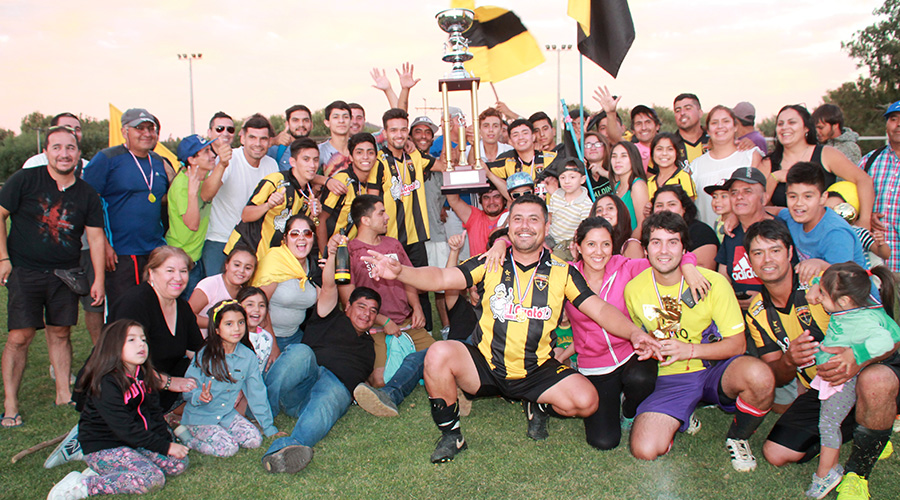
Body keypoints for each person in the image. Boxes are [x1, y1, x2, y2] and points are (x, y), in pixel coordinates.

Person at [361, 194, 662, 463]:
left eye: (534, 219)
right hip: (486, 365)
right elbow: (442, 278)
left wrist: (635, 333)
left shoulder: (563, 272)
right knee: (438, 353)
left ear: (547, 224)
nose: (525, 226)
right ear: (509, 225)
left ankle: (537, 403)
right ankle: (452, 435)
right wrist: (401, 272)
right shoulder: (491, 261)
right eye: (517, 219)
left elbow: (601, 310)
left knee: (587, 401)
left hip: (536, 370)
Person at [625, 211, 775, 471]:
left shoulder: (714, 283)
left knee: (759, 376)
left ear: (684, 249)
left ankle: (738, 437)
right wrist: (647, 345)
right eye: (656, 242)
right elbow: (640, 334)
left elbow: (738, 345)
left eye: (672, 242)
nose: (664, 250)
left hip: (714, 368)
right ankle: (683, 412)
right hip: (670, 378)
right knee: (644, 450)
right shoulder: (634, 289)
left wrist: (690, 350)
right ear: (646, 250)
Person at [563, 216, 707, 450]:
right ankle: (617, 400)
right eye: (591, 244)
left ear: (614, 246)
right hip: (595, 364)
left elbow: (666, 259)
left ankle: (631, 411)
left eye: (606, 244)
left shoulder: (626, 266)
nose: (599, 252)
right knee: (604, 441)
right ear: (577, 246)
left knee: (640, 380)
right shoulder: (566, 276)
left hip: (632, 353)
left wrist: (688, 263)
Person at [0, 125, 105, 426]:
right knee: (20, 336)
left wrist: (98, 279)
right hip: (25, 270)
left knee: (60, 332)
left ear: (78, 153)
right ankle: (10, 404)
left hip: (65, 273)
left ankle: (63, 393)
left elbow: (96, 238)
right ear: (46, 151)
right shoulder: (25, 180)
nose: (64, 153)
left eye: (70, 147)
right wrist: (3, 258)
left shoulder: (86, 193)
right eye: (57, 147)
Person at [260, 234, 378, 474]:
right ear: (347, 307)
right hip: (302, 383)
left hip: (329, 391)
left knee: (333, 394)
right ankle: (262, 412)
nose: (366, 314)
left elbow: (368, 382)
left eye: (373, 311)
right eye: (361, 307)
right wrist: (333, 254)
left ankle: (289, 447)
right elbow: (329, 286)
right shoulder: (329, 316)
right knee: (301, 352)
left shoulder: (370, 346)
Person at [46, 320, 189, 499]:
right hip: (105, 446)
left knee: (178, 463)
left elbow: (153, 412)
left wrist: (166, 441)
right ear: (113, 346)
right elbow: (124, 428)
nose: (141, 344)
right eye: (131, 340)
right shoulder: (106, 382)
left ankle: (114, 470)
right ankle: (83, 485)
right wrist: (165, 446)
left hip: (135, 443)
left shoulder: (143, 374)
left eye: (143, 340)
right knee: (152, 479)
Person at [804, 263, 899, 498]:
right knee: (831, 421)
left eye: (824, 295)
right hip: (842, 374)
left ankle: (826, 474)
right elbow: (821, 289)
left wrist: (853, 355)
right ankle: (878, 438)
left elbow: (885, 341)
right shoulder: (856, 303)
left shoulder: (860, 321)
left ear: (844, 301)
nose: (819, 300)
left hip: (844, 379)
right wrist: (816, 287)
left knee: (828, 424)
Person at [342, 195, 434, 387]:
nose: (387, 217)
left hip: (407, 323)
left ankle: (410, 365)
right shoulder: (350, 251)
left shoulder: (393, 244)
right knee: (380, 380)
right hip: (374, 327)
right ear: (365, 220)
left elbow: (409, 279)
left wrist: (417, 307)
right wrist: (384, 320)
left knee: (442, 360)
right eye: (381, 213)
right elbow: (349, 302)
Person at [82, 108, 168, 309]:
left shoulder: (157, 161)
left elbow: (163, 198)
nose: (147, 133)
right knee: (123, 311)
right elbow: (88, 203)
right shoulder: (107, 158)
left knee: (153, 308)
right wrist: (103, 243)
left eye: (150, 128)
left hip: (154, 249)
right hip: (120, 251)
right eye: (139, 128)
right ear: (124, 131)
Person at [743, 220, 830, 414]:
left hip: (854, 375)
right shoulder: (756, 312)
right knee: (773, 446)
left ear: (790, 253)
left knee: (875, 379)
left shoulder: (819, 281)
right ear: (749, 261)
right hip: (817, 392)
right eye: (758, 253)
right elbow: (775, 374)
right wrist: (789, 360)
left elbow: (877, 326)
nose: (767, 260)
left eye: (775, 251)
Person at [175, 300, 277, 457]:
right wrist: (199, 396)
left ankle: (221, 432)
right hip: (200, 416)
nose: (236, 328)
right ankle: (188, 438)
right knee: (228, 448)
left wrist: (269, 428)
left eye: (241, 322)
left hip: (226, 414)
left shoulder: (248, 356)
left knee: (254, 440)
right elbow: (187, 390)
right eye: (229, 324)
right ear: (217, 329)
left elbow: (256, 392)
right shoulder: (204, 355)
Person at [366, 108, 436, 331]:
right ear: (385, 132)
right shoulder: (378, 162)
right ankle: (384, 333)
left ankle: (424, 333)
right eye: (393, 130)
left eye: (403, 129)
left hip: (416, 236)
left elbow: (445, 165)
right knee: (387, 289)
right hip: (389, 237)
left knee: (421, 287)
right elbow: (372, 201)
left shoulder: (415, 156)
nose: (399, 134)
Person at [109, 246, 203, 411]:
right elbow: (122, 360)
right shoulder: (134, 304)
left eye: (183, 271)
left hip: (163, 379)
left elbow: (196, 351)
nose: (178, 278)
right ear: (152, 272)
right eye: (170, 271)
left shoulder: (182, 308)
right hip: (125, 384)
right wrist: (167, 382)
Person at [765, 105, 875, 231]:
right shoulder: (768, 162)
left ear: (806, 128)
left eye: (792, 122)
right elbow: (759, 203)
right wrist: (775, 177)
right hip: (782, 235)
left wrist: (865, 221)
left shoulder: (827, 154)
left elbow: (863, 180)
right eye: (780, 123)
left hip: (824, 233)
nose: (785, 127)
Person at [202, 114, 278, 278]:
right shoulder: (229, 159)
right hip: (221, 239)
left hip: (252, 243)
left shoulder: (271, 164)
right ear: (242, 138)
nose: (258, 144)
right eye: (252, 137)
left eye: (263, 139)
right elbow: (206, 195)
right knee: (218, 298)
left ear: (270, 141)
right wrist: (222, 164)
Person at [225, 137, 320, 261]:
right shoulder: (276, 181)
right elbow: (245, 215)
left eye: (316, 160)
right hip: (246, 251)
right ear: (292, 162)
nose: (312, 165)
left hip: (273, 260)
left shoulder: (309, 193)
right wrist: (268, 205)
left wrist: (314, 215)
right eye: (306, 159)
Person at [778, 162, 868, 283]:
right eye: (793, 196)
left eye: (808, 196)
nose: (799, 203)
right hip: (819, 292)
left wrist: (821, 265)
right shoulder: (793, 216)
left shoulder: (836, 233)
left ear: (823, 198)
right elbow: (775, 211)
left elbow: (845, 279)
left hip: (853, 296)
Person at [251, 214, 320, 351]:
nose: (301, 238)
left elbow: (325, 304)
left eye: (307, 233)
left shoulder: (313, 266)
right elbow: (258, 307)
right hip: (266, 337)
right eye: (294, 233)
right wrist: (273, 346)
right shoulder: (275, 260)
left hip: (296, 335)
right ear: (285, 239)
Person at [688, 105, 763, 227]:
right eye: (714, 122)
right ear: (708, 130)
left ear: (735, 127)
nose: (720, 126)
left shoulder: (750, 156)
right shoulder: (695, 165)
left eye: (726, 121)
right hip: (709, 239)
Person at [715, 167, 776, 307]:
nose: (739, 197)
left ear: (764, 198)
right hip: (737, 312)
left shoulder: (779, 229)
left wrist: (764, 297)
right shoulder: (731, 232)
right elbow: (723, 276)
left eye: (747, 191)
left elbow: (791, 277)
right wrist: (730, 299)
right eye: (734, 192)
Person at [166, 135, 216, 299]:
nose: (213, 155)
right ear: (192, 160)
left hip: (197, 255)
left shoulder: (204, 179)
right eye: (206, 151)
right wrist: (192, 194)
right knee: (186, 310)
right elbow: (192, 224)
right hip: (182, 258)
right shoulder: (182, 185)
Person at [318, 132, 378, 251]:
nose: (365, 157)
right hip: (332, 252)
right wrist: (324, 255)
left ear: (376, 156)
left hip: (351, 251)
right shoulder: (342, 181)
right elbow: (321, 219)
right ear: (350, 157)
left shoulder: (370, 182)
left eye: (370, 152)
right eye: (359, 152)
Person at [860, 100, 900, 272]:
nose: (898, 124)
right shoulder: (869, 161)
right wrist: (866, 214)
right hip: (874, 271)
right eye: (893, 119)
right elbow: (848, 205)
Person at [650, 185, 719, 270]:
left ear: (684, 208)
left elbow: (703, 271)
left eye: (672, 204)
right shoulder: (650, 233)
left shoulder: (701, 232)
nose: (665, 209)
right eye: (659, 205)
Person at [189, 246, 257, 331]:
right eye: (237, 265)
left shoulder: (245, 294)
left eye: (248, 268)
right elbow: (187, 316)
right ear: (227, 265)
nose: (241, 270)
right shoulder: (210, 284)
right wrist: (219, 323)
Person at [486, 118, 558, 198]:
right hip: (521, 209)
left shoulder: (552, 159)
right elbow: (481, 168)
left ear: (533, 137)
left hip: (549, 209)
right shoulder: (507, 163)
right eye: (515, 135)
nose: (521, 137)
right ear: (510, 141)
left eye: (525, 133)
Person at [547, 158, 592, 259]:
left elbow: (582, 230)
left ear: (582, 179)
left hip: (567, 242)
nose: (567, 181)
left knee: (554, 259)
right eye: (562, 178)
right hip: (551, 237)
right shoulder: (556, 195)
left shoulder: (586, 204)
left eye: (572, 177)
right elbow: (551, 216)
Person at [445, 188, 508, 256]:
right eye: (486, 198)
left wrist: (490, 176)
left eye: (496, 197)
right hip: (478, 265)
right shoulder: (474, 216)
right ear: (480, 201)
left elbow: (513, 198)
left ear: (504, 200)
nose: (491, 202)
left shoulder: (511, 214)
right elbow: (453, 200)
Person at [609, 141, 649, 235]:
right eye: (614, 156)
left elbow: (642, 224)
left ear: (633, 159)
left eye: (624, 156)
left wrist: (630, 245)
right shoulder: (617, 186)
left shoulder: (637, 186)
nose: (617, 160)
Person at [590, 193, 643, 258]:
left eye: (610, 208)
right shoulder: (593, 249)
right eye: (599, 210)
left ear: (620, 212)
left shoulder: (631, 246)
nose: (604, 213)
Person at [237, 287, 275, 376]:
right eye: (250, 304)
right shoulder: (232, 334)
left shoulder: (266, 337)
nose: (257, 309)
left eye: (262, 305)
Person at [647, 132, 696, 200]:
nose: (664, 153)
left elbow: (690, 207)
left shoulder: (683, 177)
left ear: (677, 153)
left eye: (670, 149)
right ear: (652, 153)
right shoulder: (650, 182)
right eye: (659, 149)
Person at [268, 104, 312, 171]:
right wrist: (273, 141)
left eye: (305, 120)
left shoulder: (319, 150)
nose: (301, 124)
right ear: (287, 124)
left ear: (311, 124)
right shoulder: (276, 150)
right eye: (295, 120)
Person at [319, 101, 352, 177]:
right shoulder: (320, 151)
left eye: (345, 117)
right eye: (335, 117)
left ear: (351, 121)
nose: (341, 121)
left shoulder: (360, 148)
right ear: (327, 123)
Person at [673, 93, 709, 164]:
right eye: (678, 110)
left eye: (688, 108)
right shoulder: (670, 144)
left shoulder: (713, 139)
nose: (682, 113)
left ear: (700, 113)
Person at [583, 131, 614, 198]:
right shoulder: (583, 173)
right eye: (588, 145)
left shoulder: (613, 166)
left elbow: (625, 181)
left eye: (598, 144)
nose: (593, 148)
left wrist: (604, 173)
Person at [630, 105, 661, 171]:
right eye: (638, 124)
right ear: (633, 130)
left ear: (657, 126)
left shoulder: (669, 150)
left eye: (648, 122)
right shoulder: (630, 152)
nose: (644, 128)